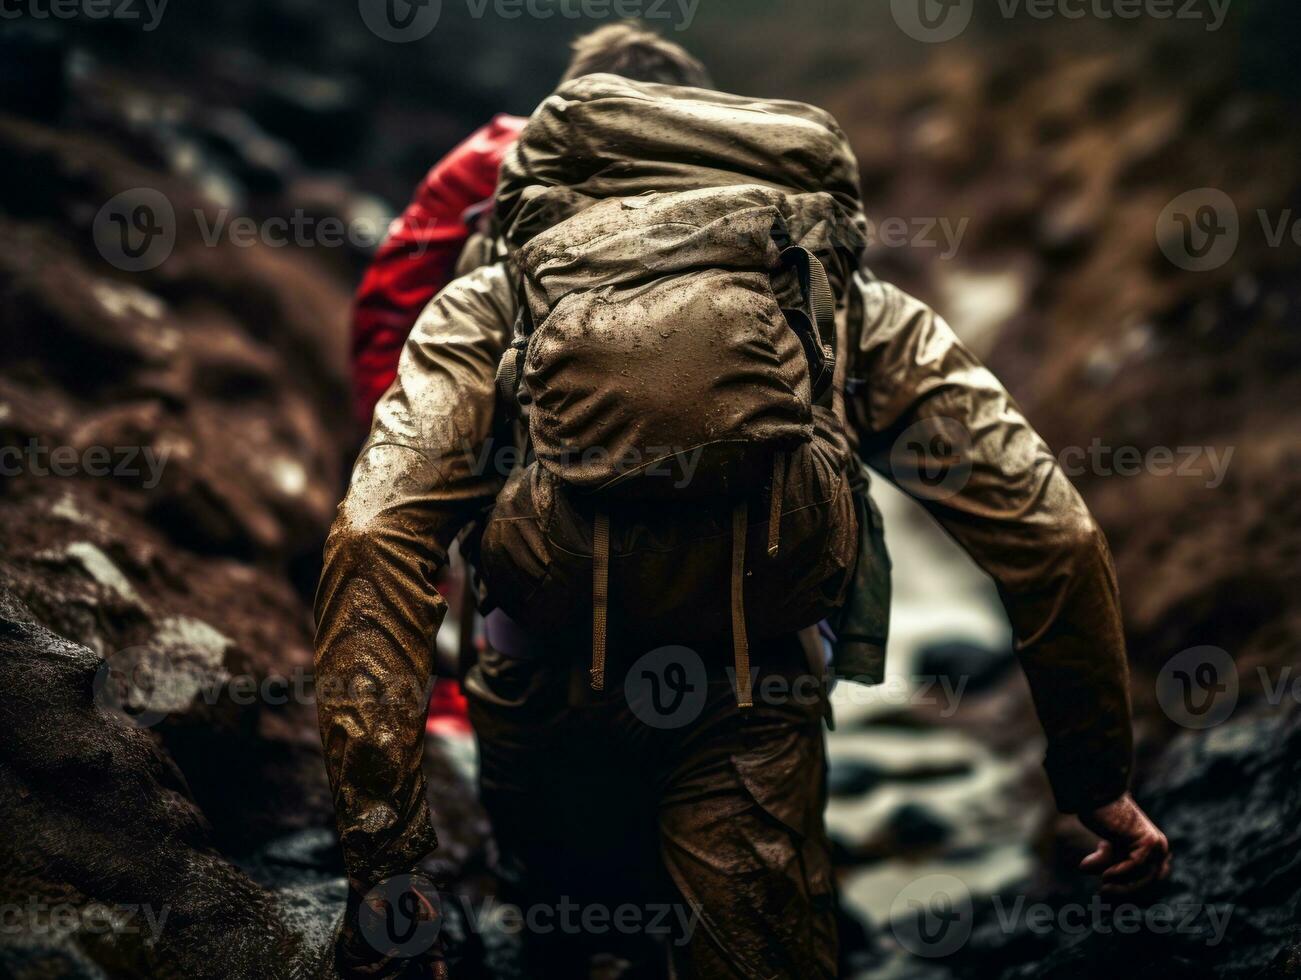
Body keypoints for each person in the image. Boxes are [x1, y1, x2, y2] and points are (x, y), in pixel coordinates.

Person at [316, 23, 1170, 979]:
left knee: (582, 955)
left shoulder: (488, 301)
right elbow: (1050, 533)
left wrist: (382, 860)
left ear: (553, 148)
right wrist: (1094, 779)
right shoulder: (845, 307)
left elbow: (374, 535)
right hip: (752, 697)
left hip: (541, 698)